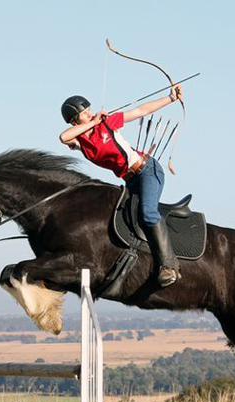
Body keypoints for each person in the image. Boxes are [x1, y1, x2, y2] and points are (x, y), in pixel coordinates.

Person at [59, 84, 183, 287]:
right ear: (75, 120)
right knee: (125, 220)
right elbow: (64, 137)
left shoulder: (107, 124)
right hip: (130, 180)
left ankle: (169, 267)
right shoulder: (80, 140)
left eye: (90, 110)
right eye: (85, 112)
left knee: (148, 213)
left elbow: (140, 111)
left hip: (147, 170)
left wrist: (170, 98)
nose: (90, 113)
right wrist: (94, 123)